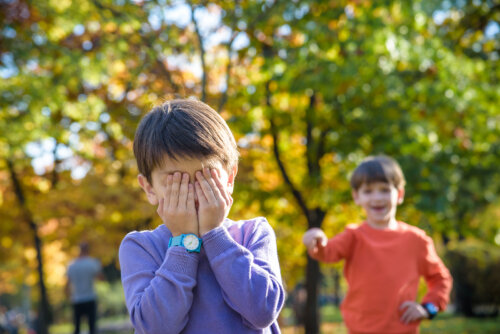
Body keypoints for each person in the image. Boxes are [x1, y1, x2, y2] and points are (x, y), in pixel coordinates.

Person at [119, 99, 285, 334]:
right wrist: (183, 242)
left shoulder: (253, 233)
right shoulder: (141, 247)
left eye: (205, 177)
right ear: (149, 188)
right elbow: (155, 327)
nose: (192, 192)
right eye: (176, 181)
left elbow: (263, 311)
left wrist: (215, 235)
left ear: (229, 179)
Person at [303, 155, 452, 334]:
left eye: (384, 189)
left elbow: (440, 278)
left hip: (403, 329)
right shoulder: (353, 236)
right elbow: (327, 252)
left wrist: (428, 308)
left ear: (400, 194)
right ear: (356, 196)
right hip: (360, 329)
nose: (377, 197)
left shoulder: (416, 240)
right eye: (368, 191)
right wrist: (316, 238)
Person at [66, 242, 101, 334]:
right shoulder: (92, 263)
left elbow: (67, 284)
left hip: (77, 299)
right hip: (90, 298)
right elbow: (101, 277)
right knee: (92, 327)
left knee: (77, 327)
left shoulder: (72, 265)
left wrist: (68, 296)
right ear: (88, 250)